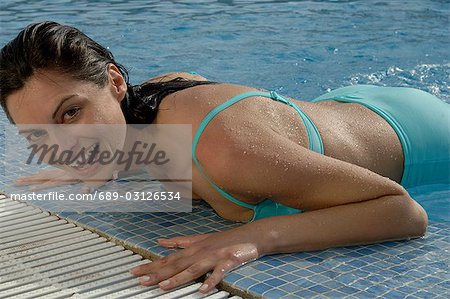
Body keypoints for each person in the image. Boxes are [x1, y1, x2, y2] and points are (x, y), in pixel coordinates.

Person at [1, 21, 447, 293]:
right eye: (40, 131)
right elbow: (188, 81)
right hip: (342, 107)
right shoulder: (142, 107)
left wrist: (257, 237)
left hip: (419, 138)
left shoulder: (226, 150)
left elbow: (403, 212)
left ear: (115, 82)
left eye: (72, 112)